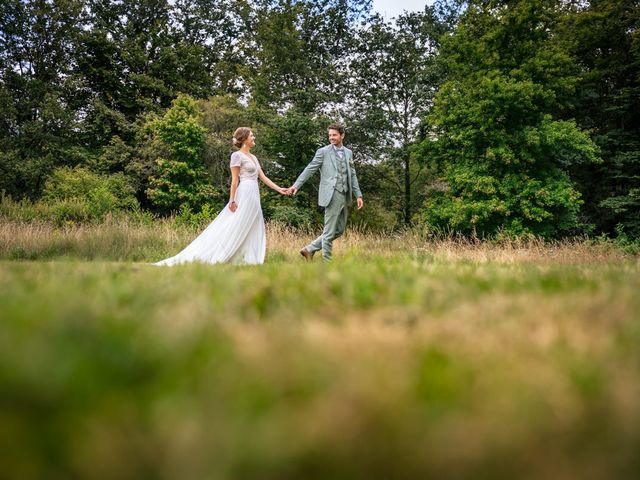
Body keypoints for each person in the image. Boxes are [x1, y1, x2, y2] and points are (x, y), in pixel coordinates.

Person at [153, 127, 288, 266]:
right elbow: (235, 180)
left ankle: (249, 258)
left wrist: (280, 189)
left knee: (253, 223)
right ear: (244, 139)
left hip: (255, 193)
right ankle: (221, 253)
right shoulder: (237, 156)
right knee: (237, 223)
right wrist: (232, 200)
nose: (254, 138)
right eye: (252, 135)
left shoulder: (253, 157)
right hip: (245, 192)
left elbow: (263, 177)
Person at [287, 123, 363, 262]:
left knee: (339, 230)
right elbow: (310, 169)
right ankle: (328, 262)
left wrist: (358, 194)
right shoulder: (323, 152)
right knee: (329, 231)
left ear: (342, 135)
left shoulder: (348, 152)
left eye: (334, 135)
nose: (331, 138)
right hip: (331, 194)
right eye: (330, 135)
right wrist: (296, 185)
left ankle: (309, 249)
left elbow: (352, 174)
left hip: (345, 194)